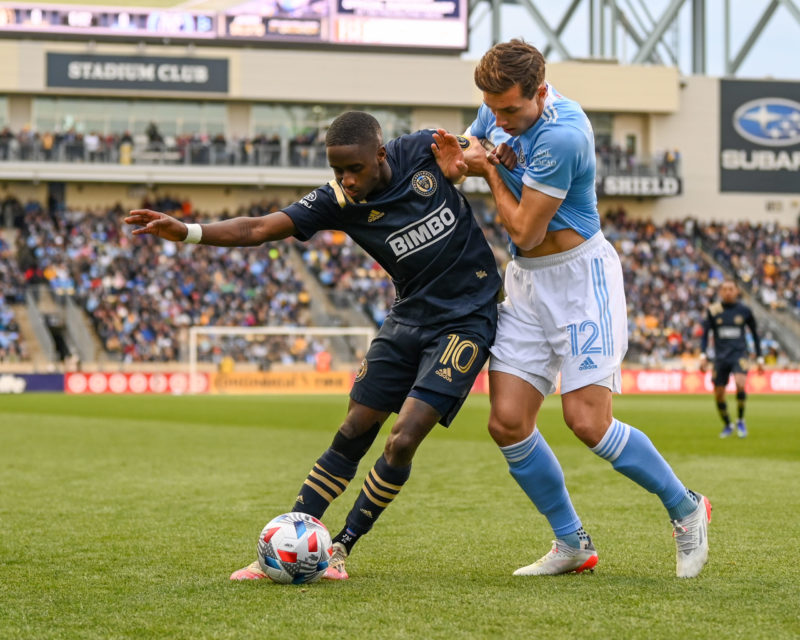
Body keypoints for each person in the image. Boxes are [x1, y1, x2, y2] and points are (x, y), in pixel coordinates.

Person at [124, 111, 501, 581]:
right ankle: (282, 548)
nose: (346, 179)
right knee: (353, 429)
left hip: (467, 318)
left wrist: (470, 164)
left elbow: (488, 152)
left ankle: (340, 548)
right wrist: (189, 232)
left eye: (354, 169)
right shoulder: (336, 200)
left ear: (381, 154)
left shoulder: (424, 147)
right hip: (409, 316)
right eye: (337, 171)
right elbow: (257, 229)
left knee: (402, 438)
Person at [439, 39, 711, 578]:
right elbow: (473, 143)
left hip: (581, 280)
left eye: (511, 110)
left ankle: (686, 507)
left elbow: (523, 227)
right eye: (492, 108)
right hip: (526, 282)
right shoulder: (499, 108)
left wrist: (487, 171)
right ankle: (572, 543)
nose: (500, 119)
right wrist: (462, 155)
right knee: (507, 421)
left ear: (541, 92)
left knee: (586, 421)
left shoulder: (563, 135)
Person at [699, 279, 763, 438]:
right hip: (720, 357)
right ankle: (728, 423)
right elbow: (705, 335)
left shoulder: (744, 310)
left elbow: (755, 334)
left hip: (739, 354)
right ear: (721, 292)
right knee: (719, 393)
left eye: (731, 289)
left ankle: (741, 419)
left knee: (741, 384)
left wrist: (760, 357)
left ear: (736, 291)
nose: (728, 292)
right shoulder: (713, 310)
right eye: (725, 289)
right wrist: (703, 355)